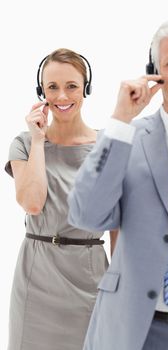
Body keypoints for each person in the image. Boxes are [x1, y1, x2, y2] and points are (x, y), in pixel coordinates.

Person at [67, 18, 168, 350]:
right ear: (154, 71)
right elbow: (86, 215)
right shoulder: (124, 138)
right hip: (131, 331)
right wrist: (119, 120)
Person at [5, 48, 118, 350]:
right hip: (36, 277)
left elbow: (119, 223)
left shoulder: (108, 145)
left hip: (90, 276)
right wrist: (39, 140)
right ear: (41, 91)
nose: (62, 96)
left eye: (71, 86)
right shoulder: (25, 143)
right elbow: (32, 202)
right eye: (52, 87)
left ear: (86, 89)